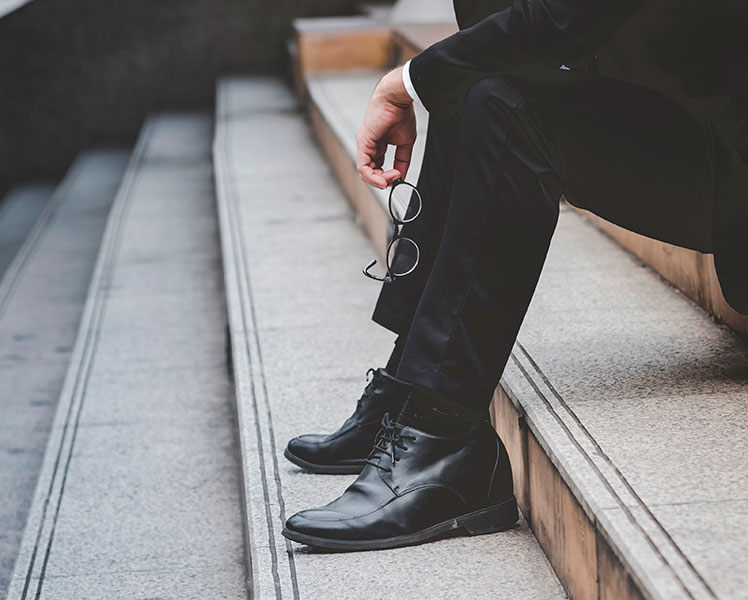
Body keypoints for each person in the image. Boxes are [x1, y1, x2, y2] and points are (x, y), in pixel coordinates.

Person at [281, 0, 748, 551]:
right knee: (471, 84)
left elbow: (562, 20)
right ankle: (408, 388)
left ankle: (442, 435)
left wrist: (405, 82)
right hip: (702, 129)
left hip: (728, 150)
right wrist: (428, 77)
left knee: (503, 102)